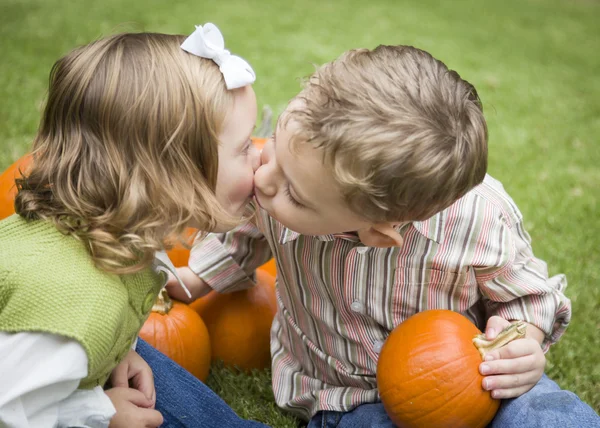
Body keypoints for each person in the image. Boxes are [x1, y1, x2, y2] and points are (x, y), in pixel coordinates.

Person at [169, 45, 600, 427]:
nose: (262, 179)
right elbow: (242, 234)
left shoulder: (480, 221)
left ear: (378, 234)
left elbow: (529, 297)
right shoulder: (286, 182)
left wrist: (524, 342)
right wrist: (192, 281)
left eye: (294, 195)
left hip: (473, 379)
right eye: (274, 146)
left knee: (547, 417)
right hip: (345, 392)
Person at [0, 23, 268, 428]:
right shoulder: (78, 307)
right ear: (173, 177)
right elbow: (11, 410)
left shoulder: (106, 237)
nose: (259, 159)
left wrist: (115, 349)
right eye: (245, 146)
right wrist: (98, 413)